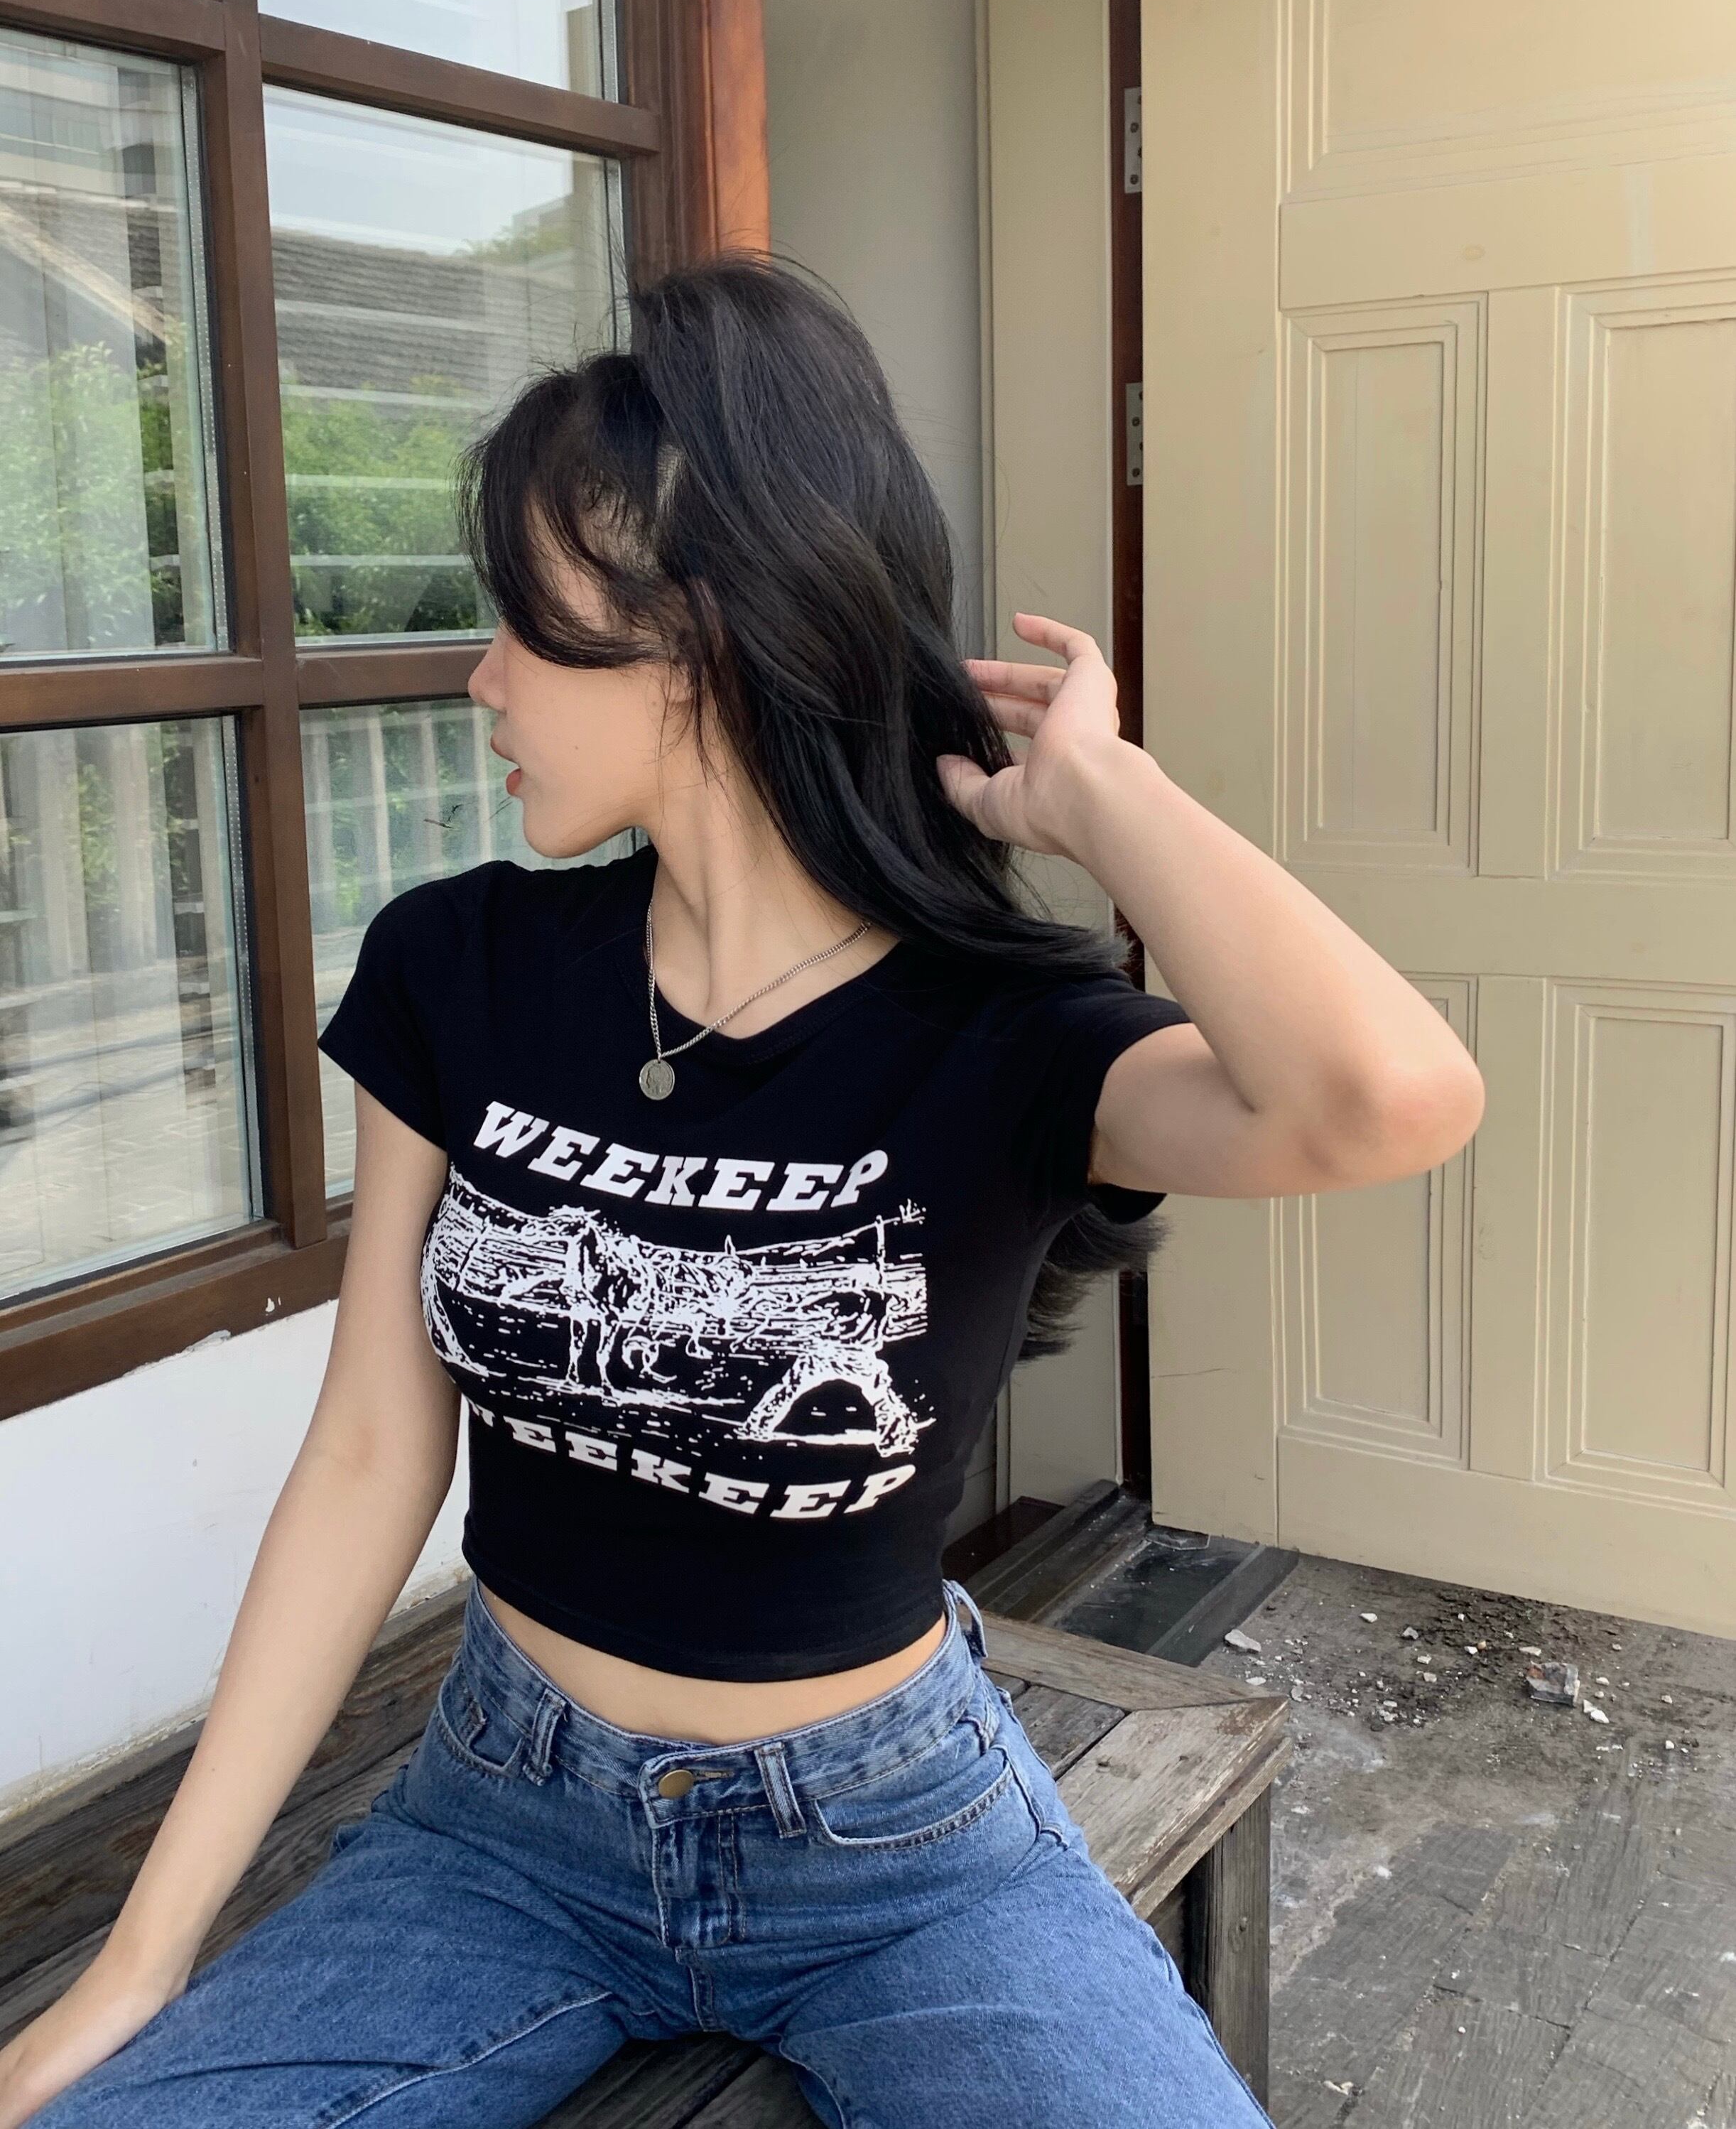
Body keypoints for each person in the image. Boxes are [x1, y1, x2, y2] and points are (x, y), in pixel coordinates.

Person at [1, 254, 1484, 2129]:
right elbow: (372, 1451)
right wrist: (142, 1958)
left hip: (896, 1850)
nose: (477, 680)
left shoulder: (1004, 1039)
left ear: (698, 631)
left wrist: (1100, 799)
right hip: (498, 1826)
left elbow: (1386, 1100)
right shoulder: (461, 966)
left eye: (520, 627)